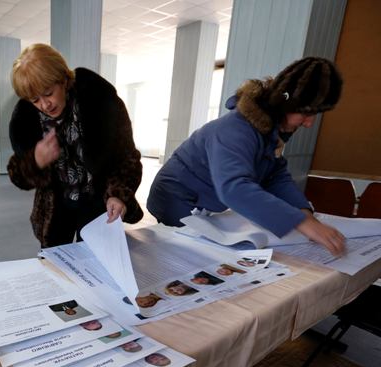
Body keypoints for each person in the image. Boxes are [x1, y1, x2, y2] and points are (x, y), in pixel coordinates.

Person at [147, 57, 346, 256]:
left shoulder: (270, 131)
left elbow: (275, 175)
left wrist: (304, 212)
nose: (309, 123)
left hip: (205, 202)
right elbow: (235, 188)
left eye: (315, 115)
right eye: (306, 113)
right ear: (285, 103)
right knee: (190, 255)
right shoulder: (234, 129)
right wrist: (299, 222)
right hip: (176, 198)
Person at [7, 43, 144, 247]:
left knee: (95, 263)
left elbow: (127, 158)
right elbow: (17, 175)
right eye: (35, 100)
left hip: (98, 201)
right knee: (55, 265)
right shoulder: (26, 120)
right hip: (55, 207)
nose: (45, 105)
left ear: (63, 79)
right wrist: (34, 161)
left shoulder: (101, 102)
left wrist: (118, 195)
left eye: (48, 93)